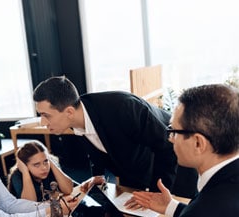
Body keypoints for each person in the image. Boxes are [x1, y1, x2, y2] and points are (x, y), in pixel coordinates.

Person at [30, 84, 239, 217]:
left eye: (173, 131)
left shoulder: (203, 216)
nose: (169, 138)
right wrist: (172, 207)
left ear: (198, 142)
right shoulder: (223, 191)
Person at [33, 76, 177, 192]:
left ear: (69, 112)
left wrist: (157, 193)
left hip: (176, 160)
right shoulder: (76, 120)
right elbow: (97, 139)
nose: (42, 122)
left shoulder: (124, 108)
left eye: (46, 115)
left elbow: (167, 146)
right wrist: (98, 175)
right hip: (135, 167)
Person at [8, 140, 73, 202]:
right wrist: (25, 172)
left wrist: (50, 161)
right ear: (25, 165)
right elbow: (30, 204)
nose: (44, 168)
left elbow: (68, 190)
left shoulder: (51, 165)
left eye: (45, 161)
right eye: (37, 164)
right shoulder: (17, 175)